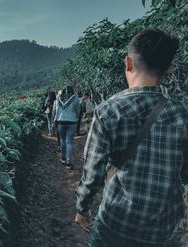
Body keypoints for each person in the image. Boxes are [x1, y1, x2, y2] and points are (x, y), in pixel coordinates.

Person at [74, 29, 187, 246]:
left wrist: (82, 207)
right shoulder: (183, 113)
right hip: (163, 227)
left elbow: (93, 173)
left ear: (128, 63)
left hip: (116, 221)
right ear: (169, 69)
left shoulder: (108, 111)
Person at [53, 86, 80, 170]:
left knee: (62, 140)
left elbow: (56, 110)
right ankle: (69, 162)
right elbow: (77, 109)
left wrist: (55, 119)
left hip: (61, 121)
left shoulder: (58, 98)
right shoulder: (75, 98)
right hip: (72, 121)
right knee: (69, 141)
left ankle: (63, 158)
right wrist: (77, 118)